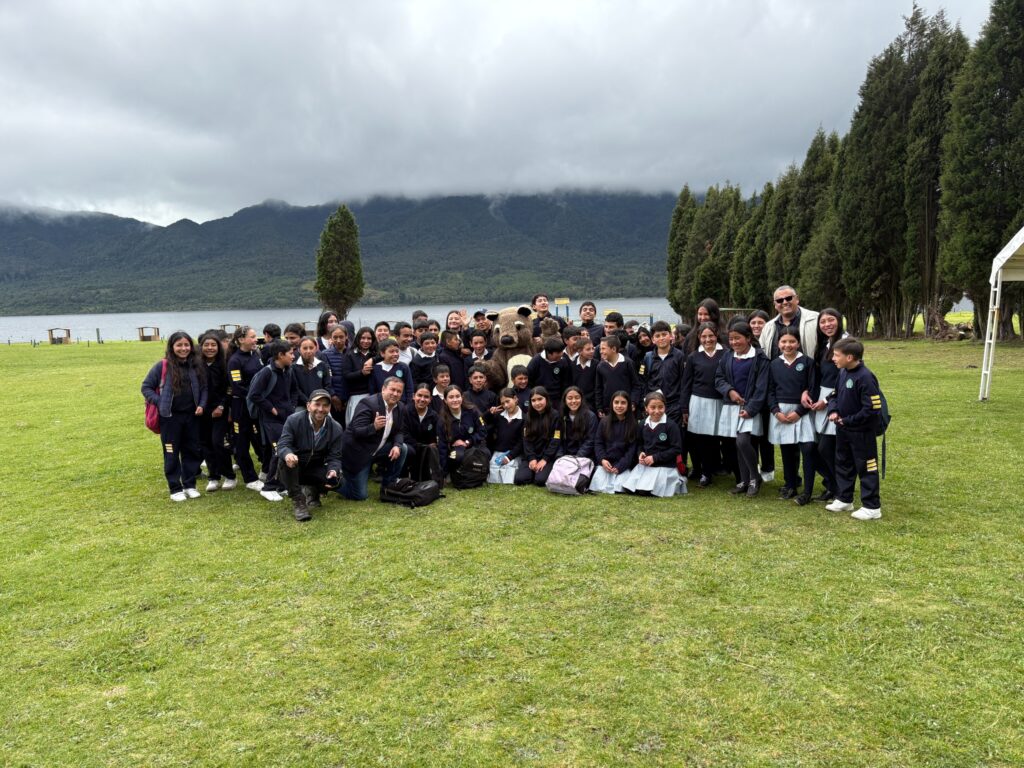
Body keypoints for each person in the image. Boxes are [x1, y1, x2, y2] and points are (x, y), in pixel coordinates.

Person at [141, 331, 208, 501]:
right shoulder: (162, 366)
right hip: (170, 418)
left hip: (192, 417)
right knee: (171, 453)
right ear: (172, 347)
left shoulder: (196, 366)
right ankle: (175, 488)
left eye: (186, 345)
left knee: (191, 451)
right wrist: (160, 401)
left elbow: (204, 388)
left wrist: (201, 404)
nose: (183, 348)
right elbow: (146, 387)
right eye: (179, 345)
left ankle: (190, 485)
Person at [826, 338, 884, 520]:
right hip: (843, 430)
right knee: (843, 463)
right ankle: (845, 499)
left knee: (867, 467)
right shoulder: (843, 372)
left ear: (849, 357)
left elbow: (872, 408)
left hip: (861, 433)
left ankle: (872, 506)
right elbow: (834, 395)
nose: (833, 358)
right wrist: (833, 411)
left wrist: (848, 420)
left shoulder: (865, 377)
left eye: (836, 355)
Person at [715, 321, 769, 496]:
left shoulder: (760, 359)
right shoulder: (727, 356)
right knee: (738, 445)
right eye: (731, 339)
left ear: (748, 338)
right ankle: (744, 481)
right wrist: (729, 391)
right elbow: (719, 379)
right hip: (732, 406)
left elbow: (762, 387)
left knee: (743, 441)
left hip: (751, 407)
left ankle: (755, 477)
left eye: (737, 338)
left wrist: (751, 409)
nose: (734, 342)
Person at [276, 389, 343, 522]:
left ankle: (313, 491)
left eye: (325, 405)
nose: (321, 409)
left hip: (315, 467)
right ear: (308, 406)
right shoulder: (293, 420)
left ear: (329, 408)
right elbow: (283, 444)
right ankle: (298, 501)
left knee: (339, 480)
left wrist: (333, 470)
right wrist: (288, 454)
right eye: (317, 404)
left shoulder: (336, 427)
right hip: (295, 466)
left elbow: (335, 457)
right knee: (285, 461)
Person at [768, 329, 817, 504]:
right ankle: (790, 485)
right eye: (784, 341)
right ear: (778, 343)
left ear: (798, 343)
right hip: (782, 413)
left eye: (792, 341)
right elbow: (770, 391)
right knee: (787, 450)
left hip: (802, 412)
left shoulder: (808, 362)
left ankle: (807, 492)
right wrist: (776, 411)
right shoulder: (774, 364)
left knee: (808, 449)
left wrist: (799, 412)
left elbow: (813, 388)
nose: (787, 345)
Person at [340, 377, 408, 501]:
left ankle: (388, 486)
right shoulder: (368, 404)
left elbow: (399, 431)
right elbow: (356, 431)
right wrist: (374, 427)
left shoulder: (400, 407)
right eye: (392, 389)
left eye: (399, 391)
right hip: (358, 453)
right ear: (383, 389)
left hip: (377, 449)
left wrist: (397, 445)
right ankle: (335, 481)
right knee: (360, 496)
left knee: (402, 448)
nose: (395, 394)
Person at [249, 339, 299, 502]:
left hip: (287, 417)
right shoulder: (267, 372)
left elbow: (294, 390)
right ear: (280, 355)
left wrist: (291, 406)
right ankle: (268, 487)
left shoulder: (289, 370)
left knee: (284, 449)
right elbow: (254, 395)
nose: (293, 356)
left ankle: (280, 485)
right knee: (279, 451)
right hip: (270, 420)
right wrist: (272, 409)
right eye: (290, 353)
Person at [681, 321, 725, 486]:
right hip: (698, 401)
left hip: (720, 402)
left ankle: (718, 468)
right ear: (699, 337)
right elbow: (686, 384)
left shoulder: (726, 354)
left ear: (716, 335)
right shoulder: (693, 357)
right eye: (704, 336)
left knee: (716, 439)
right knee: (701, 439)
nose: (708, 340)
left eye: (711, 336)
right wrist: (684, 408)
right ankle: (705, 472)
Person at [810, 309, 846, 501]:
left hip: (839, 400)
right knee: (817, 448)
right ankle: (831, 485)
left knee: (828, 448)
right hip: (822, 399)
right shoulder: (824, 345)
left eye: (831, 320)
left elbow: (845, 380)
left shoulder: (847, 344)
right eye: (822, 322)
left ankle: (840, 488)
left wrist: (827, 401)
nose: (827, 325)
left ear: (839, 321)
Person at [621, 392, 685, 497]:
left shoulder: (671, 426)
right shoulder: (642, 424)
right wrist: (640, 453)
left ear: (665, 407)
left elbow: (676, 449)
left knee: (644, 492)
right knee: (629, 489)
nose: (657, 411)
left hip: (664, 467)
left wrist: (655, 458)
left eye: (660, 407)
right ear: (646, 408)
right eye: (653, 407)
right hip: (646, 466)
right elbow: (639, 444)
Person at [227, 325, 267, 491]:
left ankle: (266, 470)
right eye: (252, 337)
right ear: (241, 340)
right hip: (241, 406)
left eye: (255, 336)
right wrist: (255, 395)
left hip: (256, 405)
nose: (255, 340)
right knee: (242, 442)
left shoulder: (256, 354)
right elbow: (237, 387)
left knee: (259, 438)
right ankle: (250, 479)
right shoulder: (235, 360)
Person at [197, 330, 236, 493]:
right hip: (201, 411)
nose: (210, 348)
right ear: (201, 347)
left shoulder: (224, 364)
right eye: (206, 345)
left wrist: (221, 406)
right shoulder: (197, 365)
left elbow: (229, 388)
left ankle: (229, 475)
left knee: (218, 443)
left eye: (213, 345)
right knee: (206, 445)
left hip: (220, 410)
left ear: (218, 347)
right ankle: (213, 477)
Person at [589, 391, 639, 494]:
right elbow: (598, 443)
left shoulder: (633, 424)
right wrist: (602, 460)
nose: (619, 406)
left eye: (623, 403)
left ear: (628, 405)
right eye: (616, 402)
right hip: (606, 464)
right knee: (598, 486)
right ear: (612, 404)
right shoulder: (604, 422)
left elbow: (632, 450)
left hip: (623, 466)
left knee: (620, 488)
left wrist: (621, 466)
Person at [437, 385, 489, 479]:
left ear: (462, 397)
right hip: (456, 449)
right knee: (458, 456)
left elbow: (483, 431)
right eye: (451, 397)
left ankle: (478, 475)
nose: (455, 400)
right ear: (445, 400)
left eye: (458, 396)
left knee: (486, 453)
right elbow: (442, 446)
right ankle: (455, 474)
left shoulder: (473, 411)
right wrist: (444, 473)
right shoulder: (442, 420)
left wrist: (468, 441)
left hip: (474, 444)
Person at [759, 285, 820, 363]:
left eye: (788, 298)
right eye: (779, 300)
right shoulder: (768, 327)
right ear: (775, 304)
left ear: (797, 299)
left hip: (810, 370)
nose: (785, 302)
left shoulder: (816, 319)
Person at [748, 309, 775, 482]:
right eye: (753, 323)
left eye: (760, 323)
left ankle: (768, 467)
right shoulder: (745, 343)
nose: (757, 326)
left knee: (765, 435)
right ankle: (754, 466)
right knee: (751, 435)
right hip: (750, 397)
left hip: (767, 395)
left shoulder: (772, 342)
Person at [641, 320, 686, 425]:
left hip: (674, 407)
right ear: (653, 339)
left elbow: (684, 382)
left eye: (664, 334)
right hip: (654, 406)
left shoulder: (679, 356)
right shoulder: (647, 357)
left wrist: (682, 406)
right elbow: (642, 380)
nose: (661, 338)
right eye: (657, 336)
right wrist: (645, 402)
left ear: (670, 336)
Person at [514, 386, 561, 486]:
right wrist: (531, 458)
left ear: (546, 399)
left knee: (540, 480)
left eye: (540, 399)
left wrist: (545, 459)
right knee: (520, 479)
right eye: (533, 400)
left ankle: (539, 473)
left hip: (548, 457)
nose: (537, 403)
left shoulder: (555, 415)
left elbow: (556, 440)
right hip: (531, 456)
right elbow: (526, 439)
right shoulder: (528, 416)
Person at [402, 382, 441, 482]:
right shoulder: (405, 411)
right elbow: (404, 434)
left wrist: (434, 443)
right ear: (413, 396)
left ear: (430, 399)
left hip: (427, 450)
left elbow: (436, 436)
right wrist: (420, 446)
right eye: (419, 395)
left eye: (426, 397)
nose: (422, 399)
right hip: (410, 447)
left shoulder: (434, 416)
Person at [594, 334, 641, 416]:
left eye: (603, 348)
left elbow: (636, 385)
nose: (600, 351)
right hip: (608, 410)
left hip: (626, 409)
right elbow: (598, 388)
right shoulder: (600, 366)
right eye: (600, 349)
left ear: (613, 349)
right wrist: (599, 408)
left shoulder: (628, 363)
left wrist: (633, 402)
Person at [341, 327, 376, 424]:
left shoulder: (375, 354)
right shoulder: (350, 354)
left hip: (373, 395)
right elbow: (346, 375)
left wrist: (373, 360)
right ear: (358, 338)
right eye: (363, 338)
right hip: (356, 395)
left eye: (369, 338)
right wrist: (362, 373)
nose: (366, 341)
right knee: (356, 424)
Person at [489, 388, 524, 483]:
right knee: (493, 472)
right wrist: (489, 414)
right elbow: (483, 425)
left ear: (515, 399)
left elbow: (522, 441)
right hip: (498, 452)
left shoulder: (524, 418)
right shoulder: (499, 416)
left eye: (508, 401)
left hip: (514, 453)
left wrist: (509, 456)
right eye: (503, 403)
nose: (506, 406)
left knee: (508, 472)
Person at [527, 336, 573, 403]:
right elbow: (529, 381)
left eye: (562, 351)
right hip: (540, 398)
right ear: (549, 353)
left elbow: (566, 382)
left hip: (557, 399)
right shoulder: (536, 361)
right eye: (558, 353)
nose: (561, 354)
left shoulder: (563, 361)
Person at [558, 386, 597, 460]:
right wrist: (560, 456)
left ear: (581, 399)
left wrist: (577, 457)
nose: (573, 401)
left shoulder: (591, 417)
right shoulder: (561, 416)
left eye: (577, 397)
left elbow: (591, 440)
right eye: (570, 398)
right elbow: (557, 438)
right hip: (565, 457)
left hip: (584, 457)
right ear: (565, 400)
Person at [369, 339, 413, 404]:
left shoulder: (403, 367)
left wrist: (408, 405)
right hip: (382, 404)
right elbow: (372, 390)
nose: (395, 354)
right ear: (382, 353)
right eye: (391, 351)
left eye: (397, 351)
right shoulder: (375, 368)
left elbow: (409, 388)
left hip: (400, 404)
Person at [293, 336, 332, 409]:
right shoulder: (294, 367)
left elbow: (327, 385)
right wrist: (309, 402)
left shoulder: (322, 365)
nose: (308, 351)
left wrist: (319, 401)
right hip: (301, 405)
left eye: (311, 348)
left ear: (316, 348)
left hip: (320, 405)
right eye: (305, 348)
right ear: (299, 350)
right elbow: (296, 389)